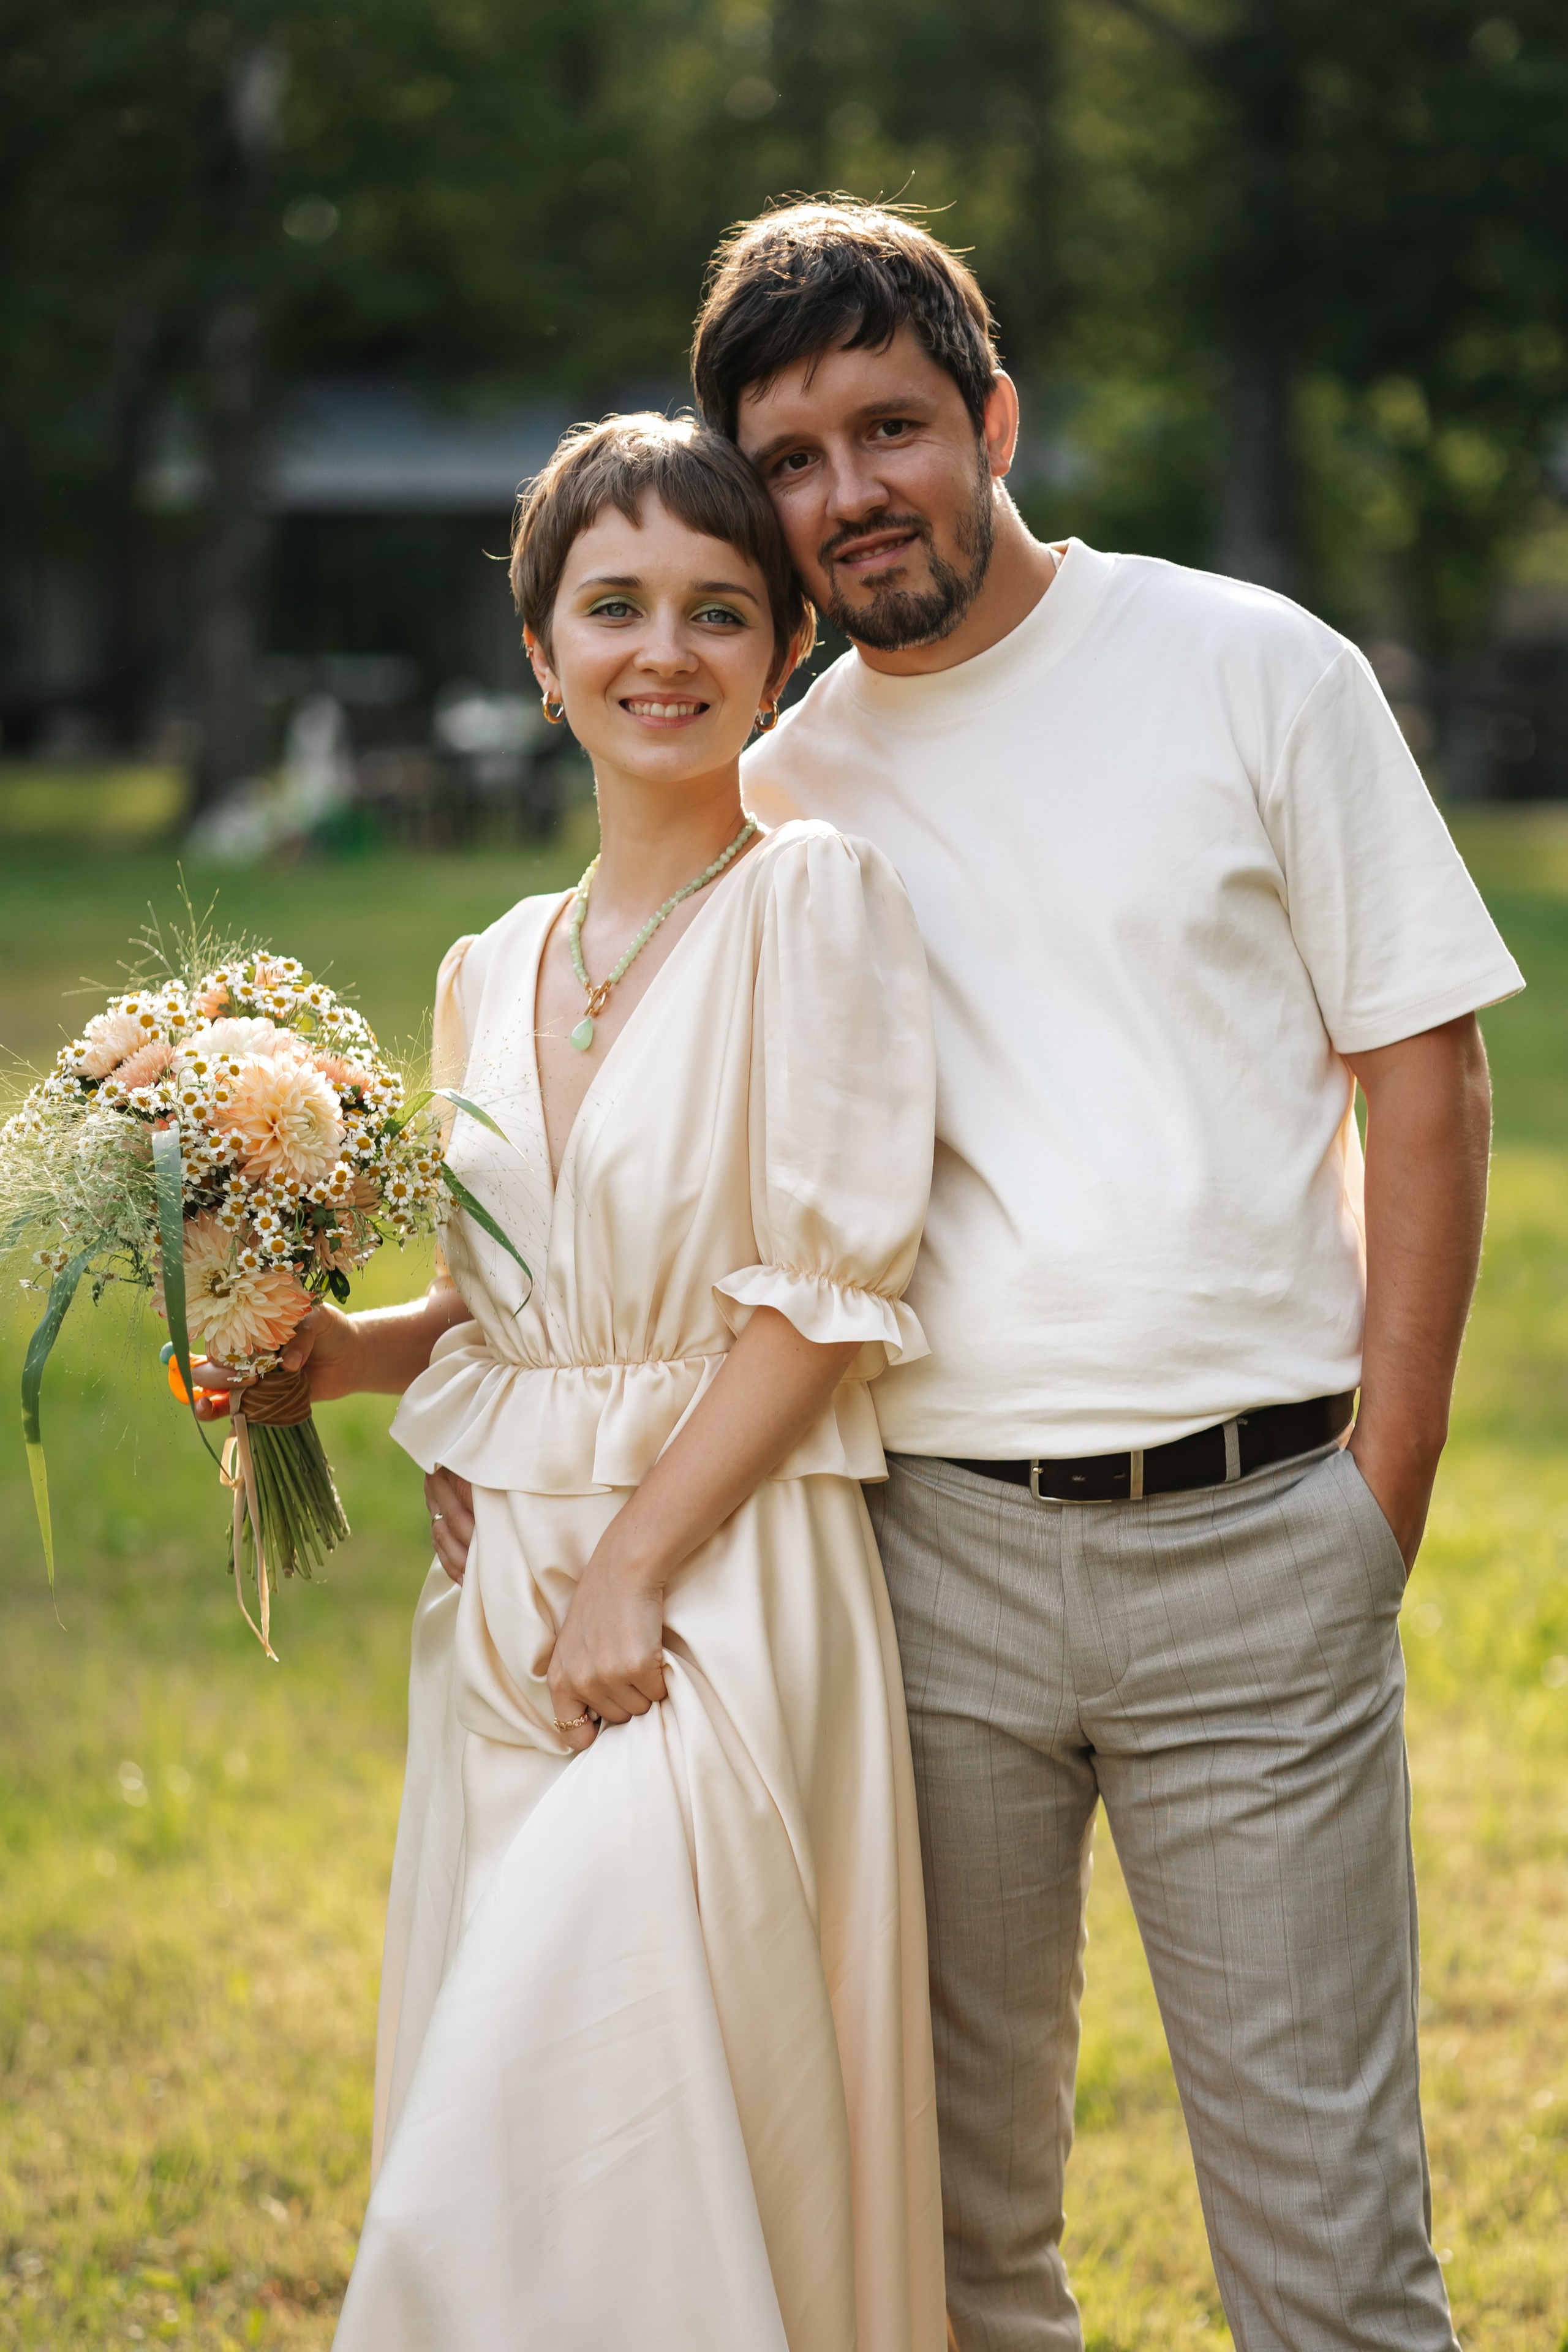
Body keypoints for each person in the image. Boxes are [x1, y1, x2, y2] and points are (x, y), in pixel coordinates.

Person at [674, 202, 1513, 2352]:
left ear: (993, 418)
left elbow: (1421, 1069)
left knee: (1333, 2260)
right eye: (792, 459)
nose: (850, 491)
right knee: (949, 2250)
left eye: (891, 427)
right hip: (925, 1568)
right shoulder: (771, 784)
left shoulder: (1253, 666)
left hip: (1262, 1547)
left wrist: (1379, 1493)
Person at [205, 413, 946, 2350]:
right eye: (612, 607)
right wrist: (326, 1364)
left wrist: (632, 1570)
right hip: (501, 1613)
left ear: (784, 652)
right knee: (541, 2153)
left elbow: (819, 1301)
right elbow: (496, 1301)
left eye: (720, 611)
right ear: (539, 654)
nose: (665, 653)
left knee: (600, 2102)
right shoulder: (488, 959)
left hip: (710, 1599)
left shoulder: (820, 905)